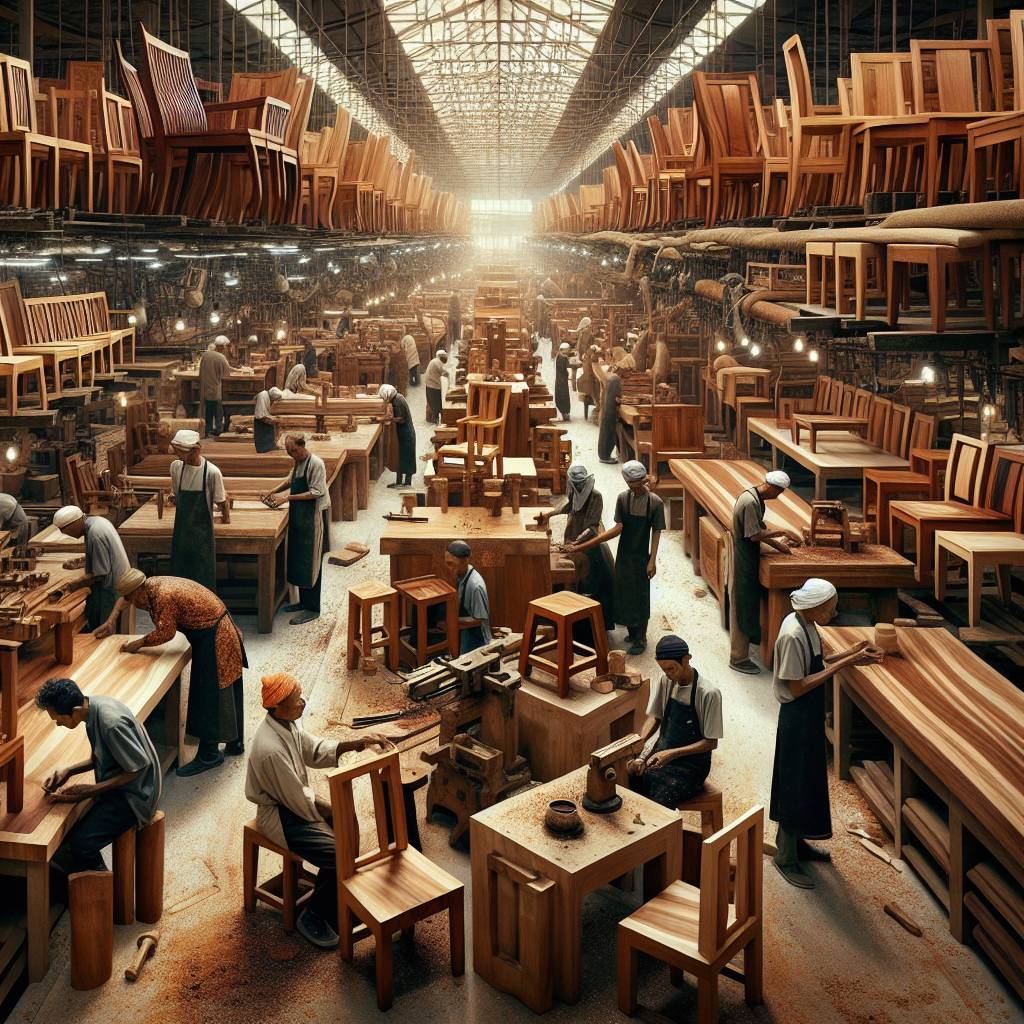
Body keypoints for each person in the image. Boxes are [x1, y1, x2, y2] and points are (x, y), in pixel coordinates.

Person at [246, 672, 390, 949]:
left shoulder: (287, 723)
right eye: (296, 699)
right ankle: (312, 916)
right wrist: (329, 808)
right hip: (279, 814)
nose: (303, 702)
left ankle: (335, 900)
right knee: (339, 851)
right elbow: (296, 799)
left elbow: (313, 749)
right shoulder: (270, 749)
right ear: (276, 706)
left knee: (345, 828)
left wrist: (357, 743)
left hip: (294, 801)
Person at [770, 579, 882, 888]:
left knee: (806, 781)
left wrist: (851, 652)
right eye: (830, 608)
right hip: (797, 714)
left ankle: (796, 843)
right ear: (815, 607)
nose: (834, 612)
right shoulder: (793, 634)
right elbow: (796, 686)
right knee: (794, 783)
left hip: (809, 711)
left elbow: (816, 663)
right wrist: (844, 665)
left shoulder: (805, 623)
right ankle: (785, 857)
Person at [99, 570, 247, 776]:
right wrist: (111, 620)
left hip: (215, 636)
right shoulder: (149, 585)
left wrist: (140, 643)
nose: (134, 604)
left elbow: (166, 632)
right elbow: (125, 599)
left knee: (208, 694)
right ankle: (234, 743)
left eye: (133, 600)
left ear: (138, 591)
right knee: (223, 688)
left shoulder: (162, 596)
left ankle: (209, 755)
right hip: (216, 628)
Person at [36, 677, 162, 871]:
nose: (58, 724)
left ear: (75, 712)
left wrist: (92, 790)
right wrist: (68, 771)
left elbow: (137, 769)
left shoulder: (111, 724)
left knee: (81, 846)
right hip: (121, 784)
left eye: (58, 720)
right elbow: (99, 757)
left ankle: (103, 894)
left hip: (137, 795)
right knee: (70, 834)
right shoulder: (92, 708)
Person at [628, 635, 723, 806]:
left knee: (659, 801)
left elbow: (711, 742)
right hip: (662, 754)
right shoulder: (665, 681)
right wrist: (642, 741)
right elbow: (655, 717)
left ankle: (665, 832)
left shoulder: (708, 693)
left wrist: (672, 753)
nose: (668, 674)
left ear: (686, 659)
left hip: (691, 765)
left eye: (672, 668)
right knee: (630, 780)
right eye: (664, 669)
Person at [730, 470, 801, 674]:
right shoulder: (751, 502)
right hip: (743, 556)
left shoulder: (753, 495)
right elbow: (754, 536)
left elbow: (757, 530)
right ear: (771, 487)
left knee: (749, 603)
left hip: (748, 553)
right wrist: (783, 532)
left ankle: (750, 647)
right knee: (742, 604)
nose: (777, 497)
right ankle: (738, 658)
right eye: (778, 493)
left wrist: (779, 546)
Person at [537, 463, 615, 630]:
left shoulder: (595, 497)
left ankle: (587, 628)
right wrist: (547, 516)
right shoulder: (573, 491)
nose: (578, 486)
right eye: (576, 483)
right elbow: (568, 507)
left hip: (588, 546)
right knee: (568, 582)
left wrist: (577, 543)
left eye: (581, 483)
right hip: (571, 542)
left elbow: (592, 527)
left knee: (589, 586)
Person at [264, 436, 330, 625]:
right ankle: (302, 602)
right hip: (299, 517)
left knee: (312, 562)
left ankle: (313, 608)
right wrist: (272, 491)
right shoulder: (298, 463)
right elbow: (290, 480)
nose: (292, 455)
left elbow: (317, 492)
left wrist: (287, 499)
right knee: (299, 559)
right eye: (288, 452)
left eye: (294, 451)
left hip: (313, 517)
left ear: (302, 446)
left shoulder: (316, 464)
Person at [606, 461, 665, 655]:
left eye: (638, 485)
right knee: (624, 593)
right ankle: (632, 631)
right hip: (624, 554)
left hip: (641, 557)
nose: (635, 489)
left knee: (640, 597)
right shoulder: (623, 499)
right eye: (631, 485)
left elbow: (656, 532)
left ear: (643, 481)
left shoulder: (655, 502)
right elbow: (619, 527)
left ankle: (641, 638)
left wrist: (652, 560)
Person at [167, 429, 229, 594]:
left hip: (202, 540)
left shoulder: (211, 472)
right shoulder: (176, 468)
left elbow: (222, 503)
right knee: (180, 583)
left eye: (180, 451)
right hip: (181, 536)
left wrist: (225, 519)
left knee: (203, 586)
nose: (177, 455)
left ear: (195, 450)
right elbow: (177, 496)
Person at [53, 504, 130, 632]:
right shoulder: (98, 522)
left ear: (73, 524)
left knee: (104, 629)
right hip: (119, 580)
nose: (63, 533)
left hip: (113, 586)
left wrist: (76, 584)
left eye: (63, 529)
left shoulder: (95, 533)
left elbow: (100, 573)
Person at [444, 540, 491, 654]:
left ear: (464, 562)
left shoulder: (475, 585)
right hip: (464, 635)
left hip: (476, 642)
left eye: (452, 565)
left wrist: (451, 622)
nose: (448, 568)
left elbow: (479, 620)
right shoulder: (461, 577)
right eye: (447, 563)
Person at [379, 384, 416, 488]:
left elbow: (401, 419)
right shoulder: (396, 398)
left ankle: (407, 482)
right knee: (399, 457)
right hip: (402, 433)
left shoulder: (398, 400)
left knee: (407, 457)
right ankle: (399, 482)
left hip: (406, 433)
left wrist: (389, 419)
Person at [198, 336, 232, 436]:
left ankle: (208, 429)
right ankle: (218, 429)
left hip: (206, 388)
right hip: (215, 388)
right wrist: (245, 370)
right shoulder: (220, 357)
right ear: (221, 347)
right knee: (217, 409)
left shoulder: (204, 355)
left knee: (208, 410)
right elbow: (229, 369)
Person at [597, 369, 622, 464]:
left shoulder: (612, 379)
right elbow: (618, 395)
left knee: (607, 432)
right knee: (609, 433)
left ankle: (604, 455)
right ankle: (605, 456)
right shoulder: (615, 381)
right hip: (610, 410)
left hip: (608, 409)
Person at [253, 386, 283, 454]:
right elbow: (261, 416)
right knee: (264, 446)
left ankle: (270, 447)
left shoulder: (267, 396)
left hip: (264, 420)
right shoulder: (263, 395)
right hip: (261, 422)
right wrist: (273, 420)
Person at [423, 349, 449, 425]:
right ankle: (434, 418)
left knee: (431, 401)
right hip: (433, 385)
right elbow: (443, 372)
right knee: (435, 402)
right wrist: (449, 375)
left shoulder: (434, 361)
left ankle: (432, 417)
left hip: (429, 383)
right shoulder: (438, 363)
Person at [555, 342, 572, 421]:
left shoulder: (560, 357)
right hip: (562, 381)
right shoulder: (562, 358)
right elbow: (565, 368)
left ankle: (564, 412)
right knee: (563, 396)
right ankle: (565, 413)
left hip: (561, 380)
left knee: (562, 396)